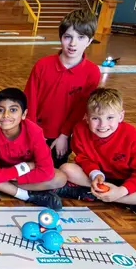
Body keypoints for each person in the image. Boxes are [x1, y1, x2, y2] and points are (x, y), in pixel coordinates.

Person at [58, 88, 136, 219]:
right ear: (86, 117)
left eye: (110, 118)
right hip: (105, 178)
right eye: (96, 118)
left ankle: (114, 198)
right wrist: (95, 174)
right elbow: (83, 157)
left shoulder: (133, 137)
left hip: (132, 180)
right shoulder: (79, 130)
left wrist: (123, 190)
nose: (103, 125)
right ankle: (129, 200)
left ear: (121, 117)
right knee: (66, 169)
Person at [25, 9, 101, 167]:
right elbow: (29, 99)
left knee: (52, 174)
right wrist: (32, 132)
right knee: (24, 167)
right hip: (33, 131)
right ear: (61, 37)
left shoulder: (92, 72)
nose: (73, 44)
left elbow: (81, 109)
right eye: (68, 37)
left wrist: (65, 135)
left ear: (89, 41)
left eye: (81, 38)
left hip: (60, 137)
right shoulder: (43, 65)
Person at [0, 88, 67, 209]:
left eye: (13, 110)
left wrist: (2, 177)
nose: (6, 115)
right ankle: (26, 196)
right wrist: (24, 167)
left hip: (17, 174)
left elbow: (46, 171)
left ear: (24, 114)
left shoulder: (35, 132)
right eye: (0, 110)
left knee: (60, 178)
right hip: (8, 169)